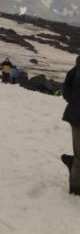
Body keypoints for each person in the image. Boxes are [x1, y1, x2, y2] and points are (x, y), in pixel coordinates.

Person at [61, 55, 80, 195]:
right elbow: (66, 89)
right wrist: (75, 99)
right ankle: (75, 188)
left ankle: (71, 162)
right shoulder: (77, 69)